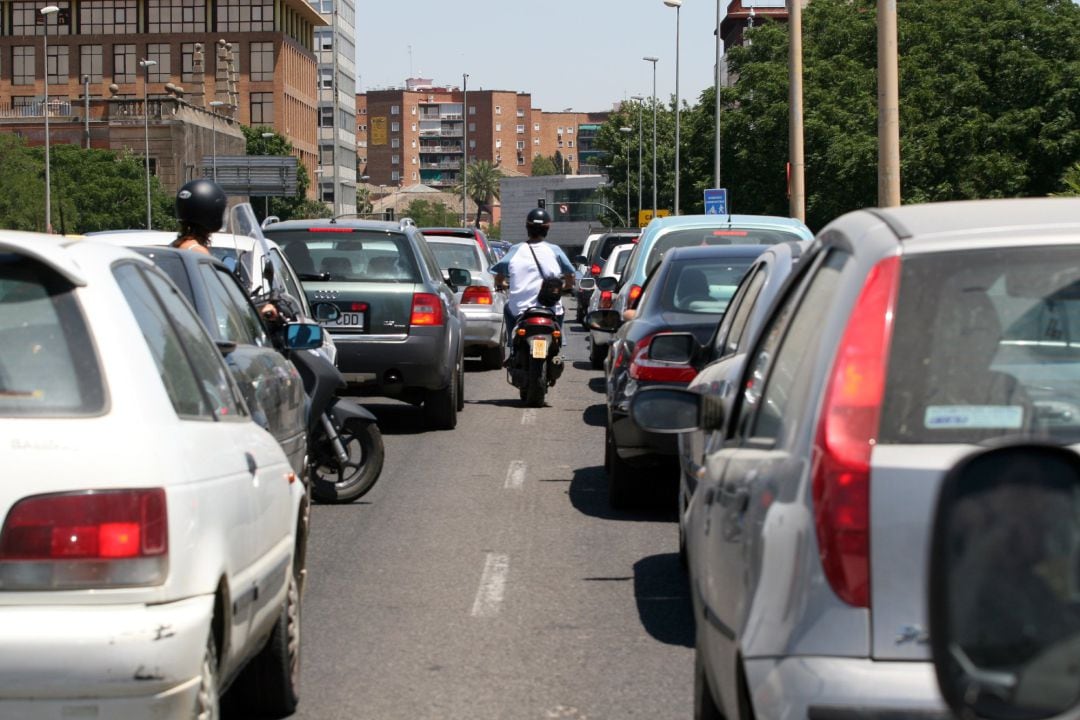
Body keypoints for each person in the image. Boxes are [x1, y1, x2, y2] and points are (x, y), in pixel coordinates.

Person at [172, 178, 280, 322]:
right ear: (211, 212)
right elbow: (222, 300)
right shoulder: (197, 252)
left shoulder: (177, 246)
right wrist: (258, 311)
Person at [490, 207, 576, 346]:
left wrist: (501, 284)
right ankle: (558, 344)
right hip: (550, 309)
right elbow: (570, 275)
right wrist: (567, 287)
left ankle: (513, 346)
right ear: (547, 229)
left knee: (507, 307)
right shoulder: (555, 250)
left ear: (527, 227)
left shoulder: (515, 250)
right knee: (560, 310)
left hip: (520, 311)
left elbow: (499, 274)